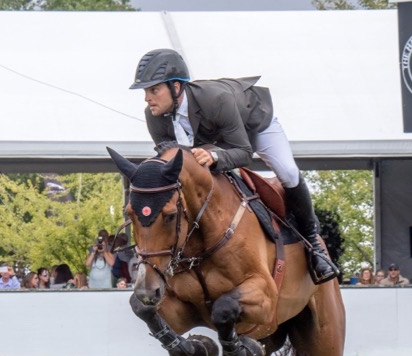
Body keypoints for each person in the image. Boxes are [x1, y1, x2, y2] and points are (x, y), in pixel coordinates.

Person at [129, 48, 338, 284]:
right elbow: (174, 169)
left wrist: (216, 157)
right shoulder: (154, 115)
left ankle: (314, 245)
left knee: (288, 173)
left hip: (254, 126)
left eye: (154, 90)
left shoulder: (215, 99)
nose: (147, 97)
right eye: (146, 91)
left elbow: (244, 152)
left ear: (176, 87)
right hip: (211, 139)